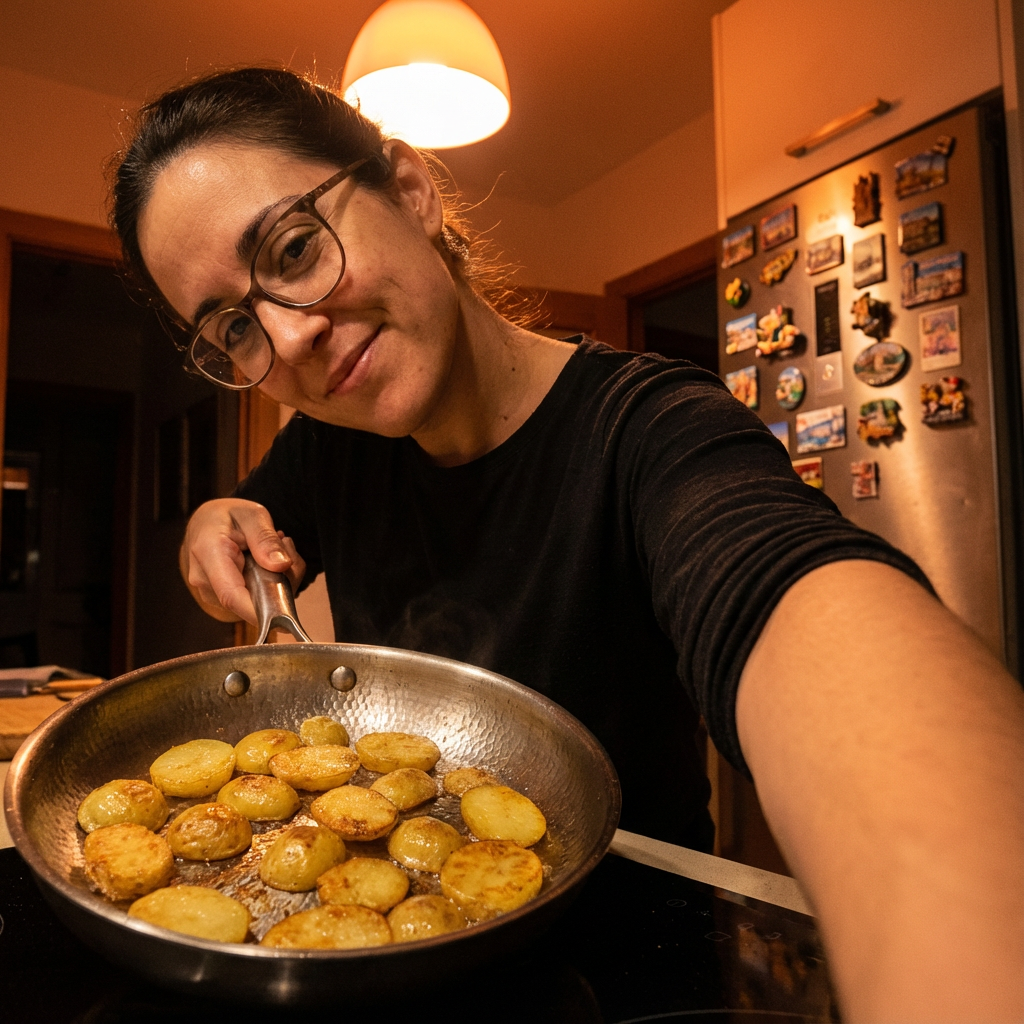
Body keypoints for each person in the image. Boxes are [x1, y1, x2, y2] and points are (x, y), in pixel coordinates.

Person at [111, 67, 1023, 1022]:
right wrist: (217, 513)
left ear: (411, 192)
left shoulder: (652, 431)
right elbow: (254, 513)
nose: (288, 337)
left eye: (295, 249)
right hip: (409, 961)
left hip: (624, 955)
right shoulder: (333, 443)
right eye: (233, 327)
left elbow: (788, 598)